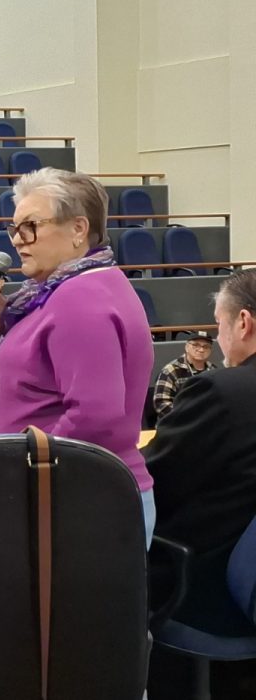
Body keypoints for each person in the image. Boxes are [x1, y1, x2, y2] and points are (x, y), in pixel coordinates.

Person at [0, 167, 155, 541]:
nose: (18, 241)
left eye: (31, 226)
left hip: (79, 499)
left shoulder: (77, 299)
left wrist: (27, 470)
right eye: (14, 228)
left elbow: (93, 417)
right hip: (80, 492)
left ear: (78, 229)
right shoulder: (70, 289)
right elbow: (30, 390)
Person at [143, 270, 256, 690]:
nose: (218, 337)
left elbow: (152, 479)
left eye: (219, 325)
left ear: (243, 323)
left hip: (206, 593)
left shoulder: (220, 391)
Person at [152, 332, 218, 421]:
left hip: (206, 423)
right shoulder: (171, 370)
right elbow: (161, 403)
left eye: (206, 347)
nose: (201, 350)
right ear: (186, 347)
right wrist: (188, 417)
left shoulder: (214, 371)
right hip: (176, 424)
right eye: (196, 345)